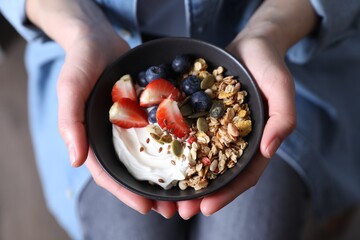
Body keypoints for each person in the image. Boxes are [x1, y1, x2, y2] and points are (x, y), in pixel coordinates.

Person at [1, 0, 360, 239]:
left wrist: (272, 29)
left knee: (253, 229)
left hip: (290, 59)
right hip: (90, 49)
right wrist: (81, 28)